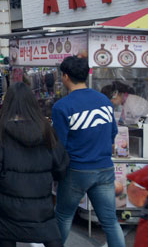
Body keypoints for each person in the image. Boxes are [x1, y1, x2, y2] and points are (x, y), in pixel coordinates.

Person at [0, 82, 68, 247]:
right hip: (40, 199)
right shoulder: (46, 129)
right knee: (49, 234)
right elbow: (61, 164)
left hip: (8, 201)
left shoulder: (1, 130)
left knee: (8, 236)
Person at [52, 56, 125, 247]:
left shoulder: (62, 107)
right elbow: (113, 134)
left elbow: (60, 144)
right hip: (104, 168)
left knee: (63, 216)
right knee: (110, 221)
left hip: (76, 170)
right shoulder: (104, 101)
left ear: (65, 76)